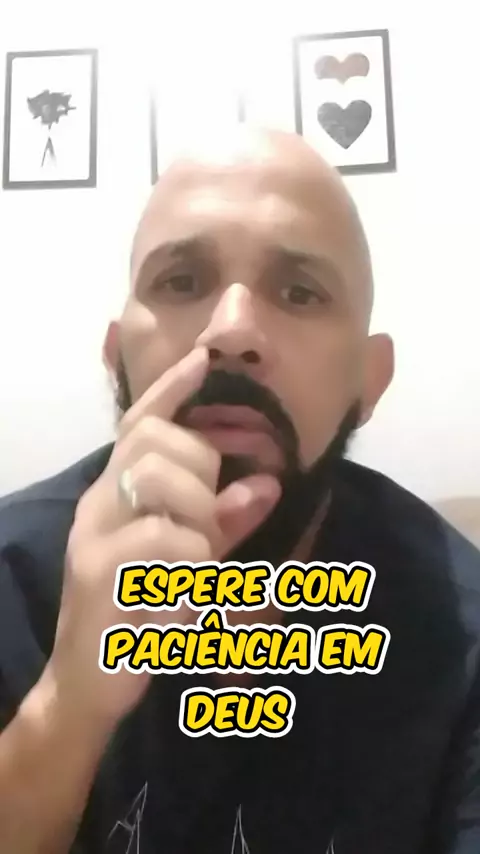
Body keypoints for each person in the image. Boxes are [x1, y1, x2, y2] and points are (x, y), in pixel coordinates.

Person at [0, 126, 479, 854]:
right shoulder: (10, 576)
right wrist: (66, 707)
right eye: (181, 282)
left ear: (368, 380)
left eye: (299, 292)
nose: (230, 331)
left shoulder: (461, 635)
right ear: (117, 357)